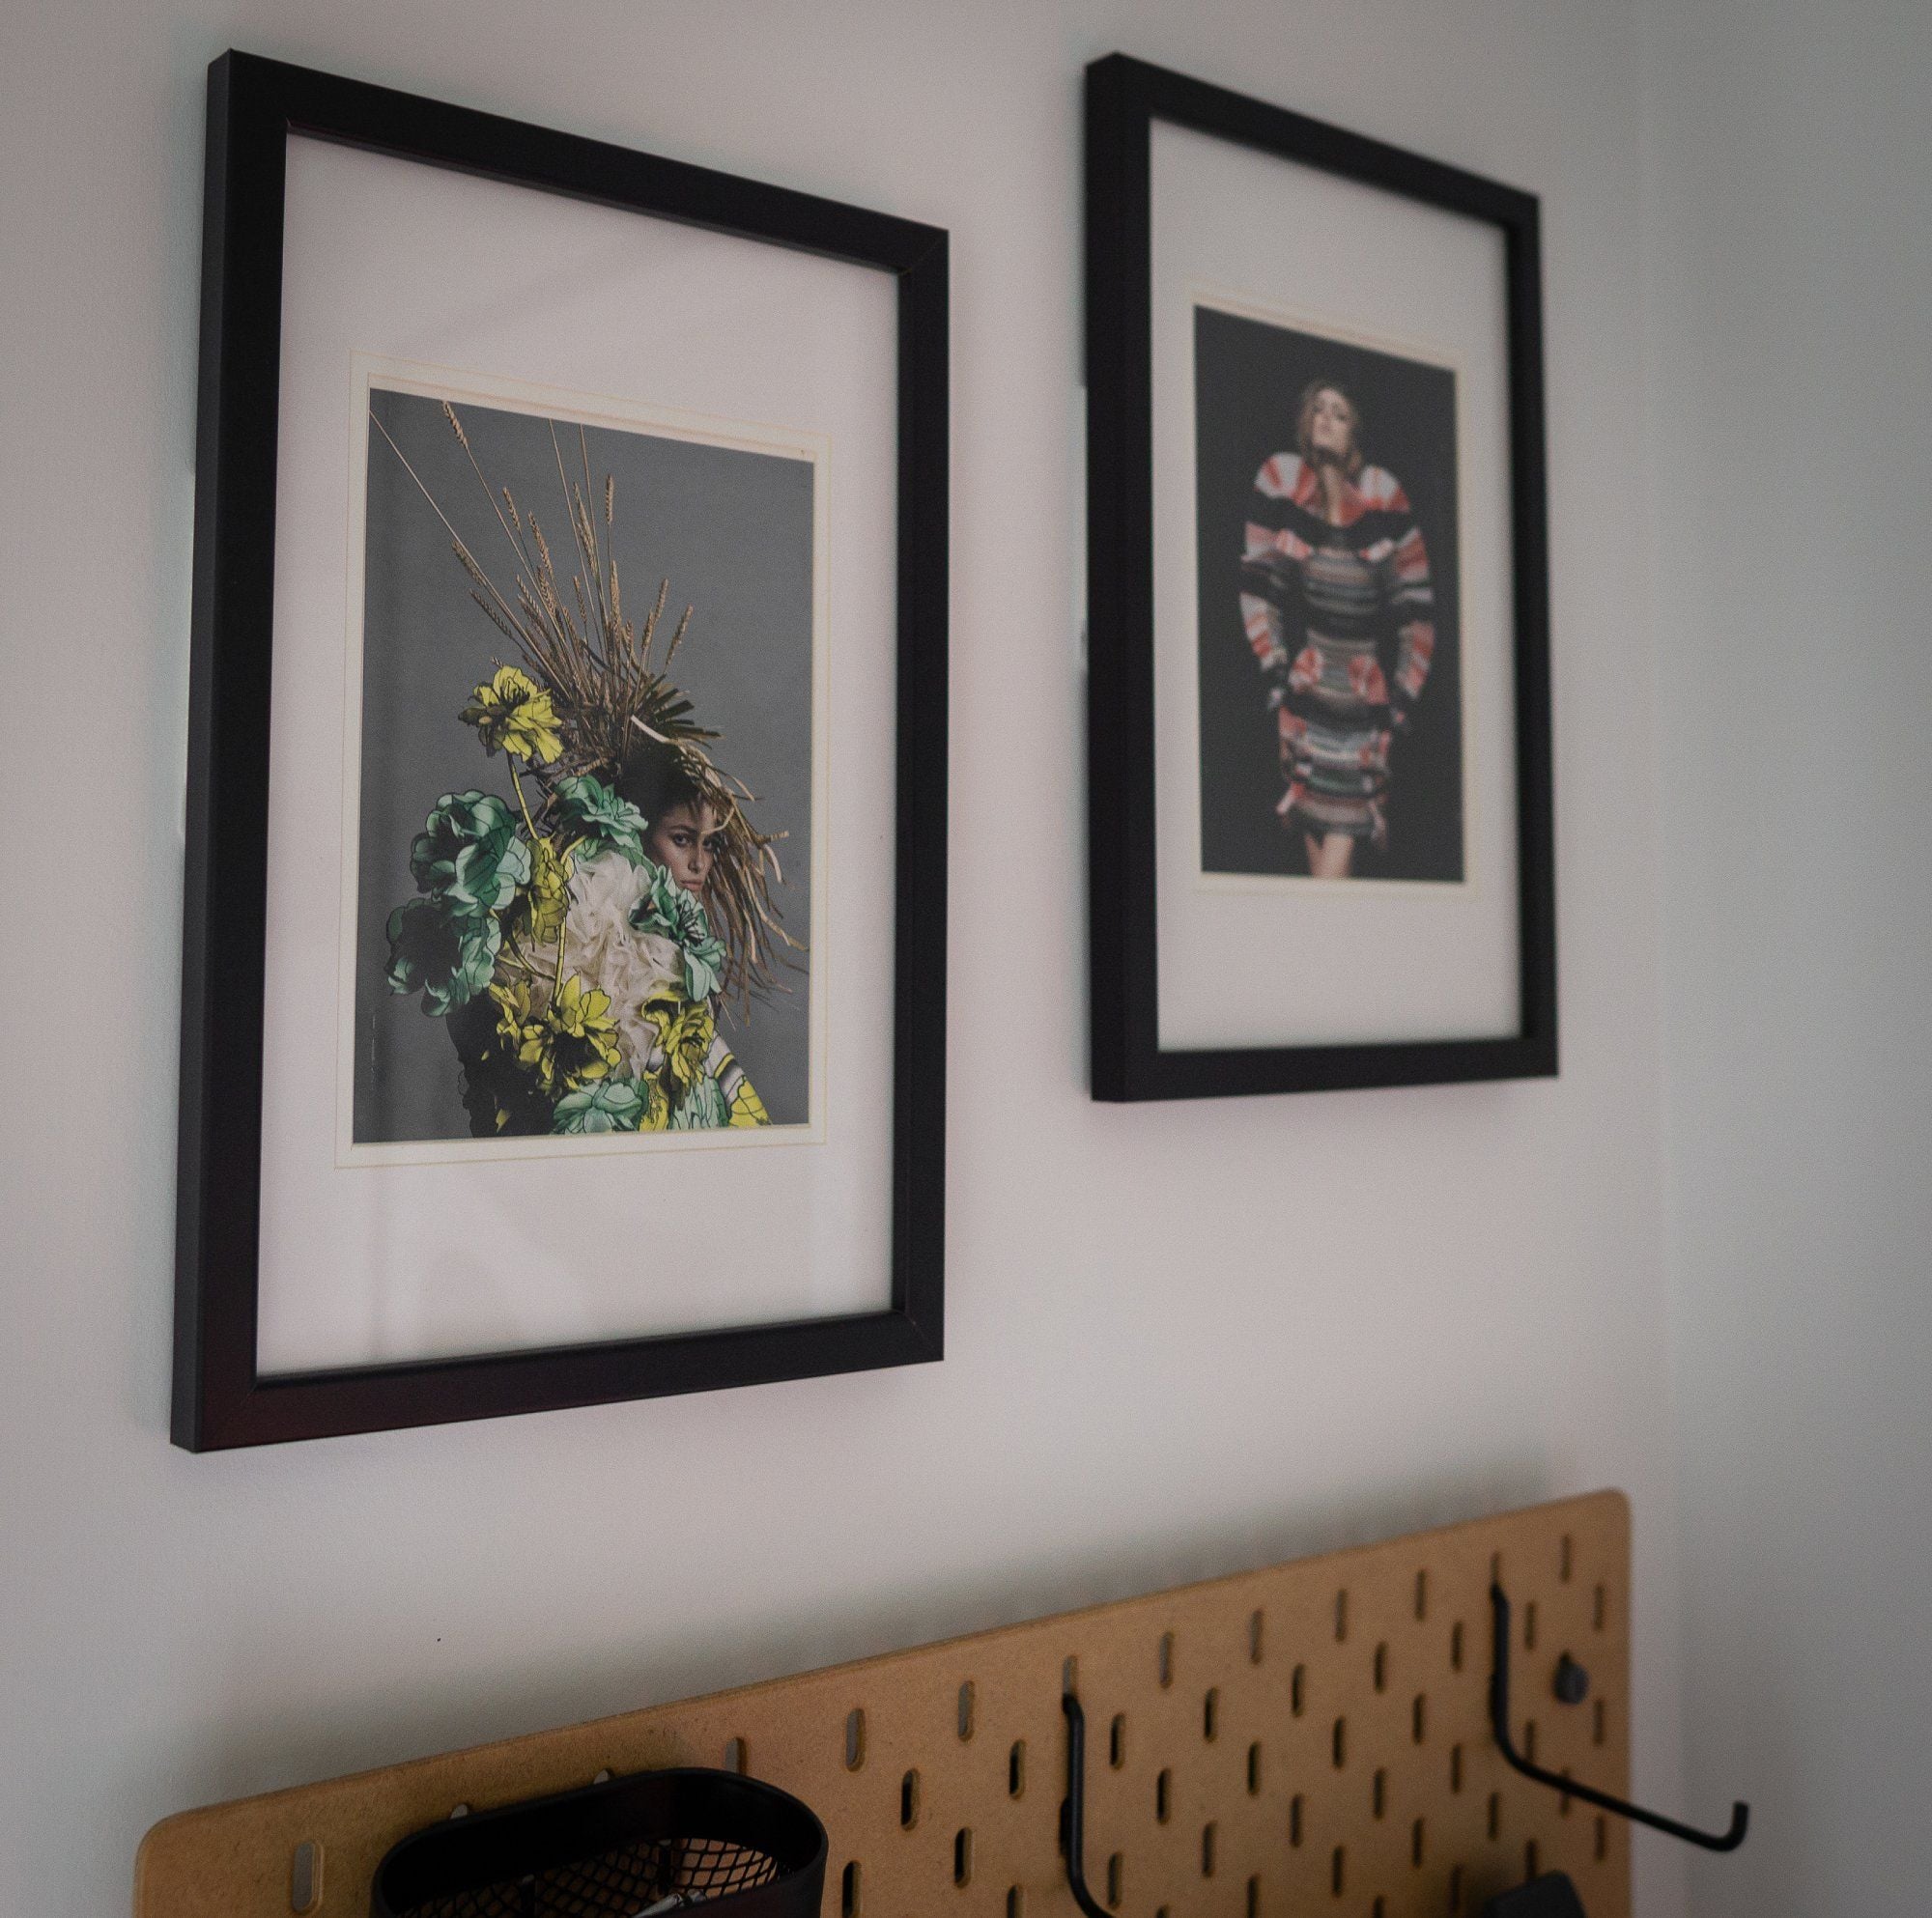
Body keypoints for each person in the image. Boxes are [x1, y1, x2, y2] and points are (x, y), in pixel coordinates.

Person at [1238, 380, 1436, 878]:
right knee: (1318, 895)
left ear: (1355, 437)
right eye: (1319, 409)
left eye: (1340, 414)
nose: (1326, 418)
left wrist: (1398, 706)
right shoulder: (1285, 494)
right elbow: (1263, 594)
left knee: (1332, 890)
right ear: (1307, 424)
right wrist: (1279, 682)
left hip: (1359, 720)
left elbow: (1417, 614)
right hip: (1306, 712)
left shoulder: (1382, 502)